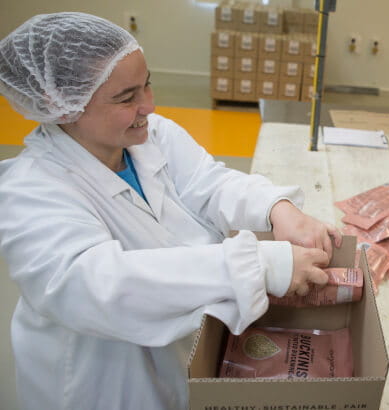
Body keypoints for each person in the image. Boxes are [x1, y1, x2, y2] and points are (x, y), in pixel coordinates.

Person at [0, 12, 342, 410]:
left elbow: (208, 182)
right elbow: (98, 285)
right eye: (126, 98)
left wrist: (277, 209)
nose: (149, 105)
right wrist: (259, 267)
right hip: (103, 381)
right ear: (58, 105)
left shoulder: (151, 135)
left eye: (147, 85)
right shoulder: (29, 192)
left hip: (180, 350)